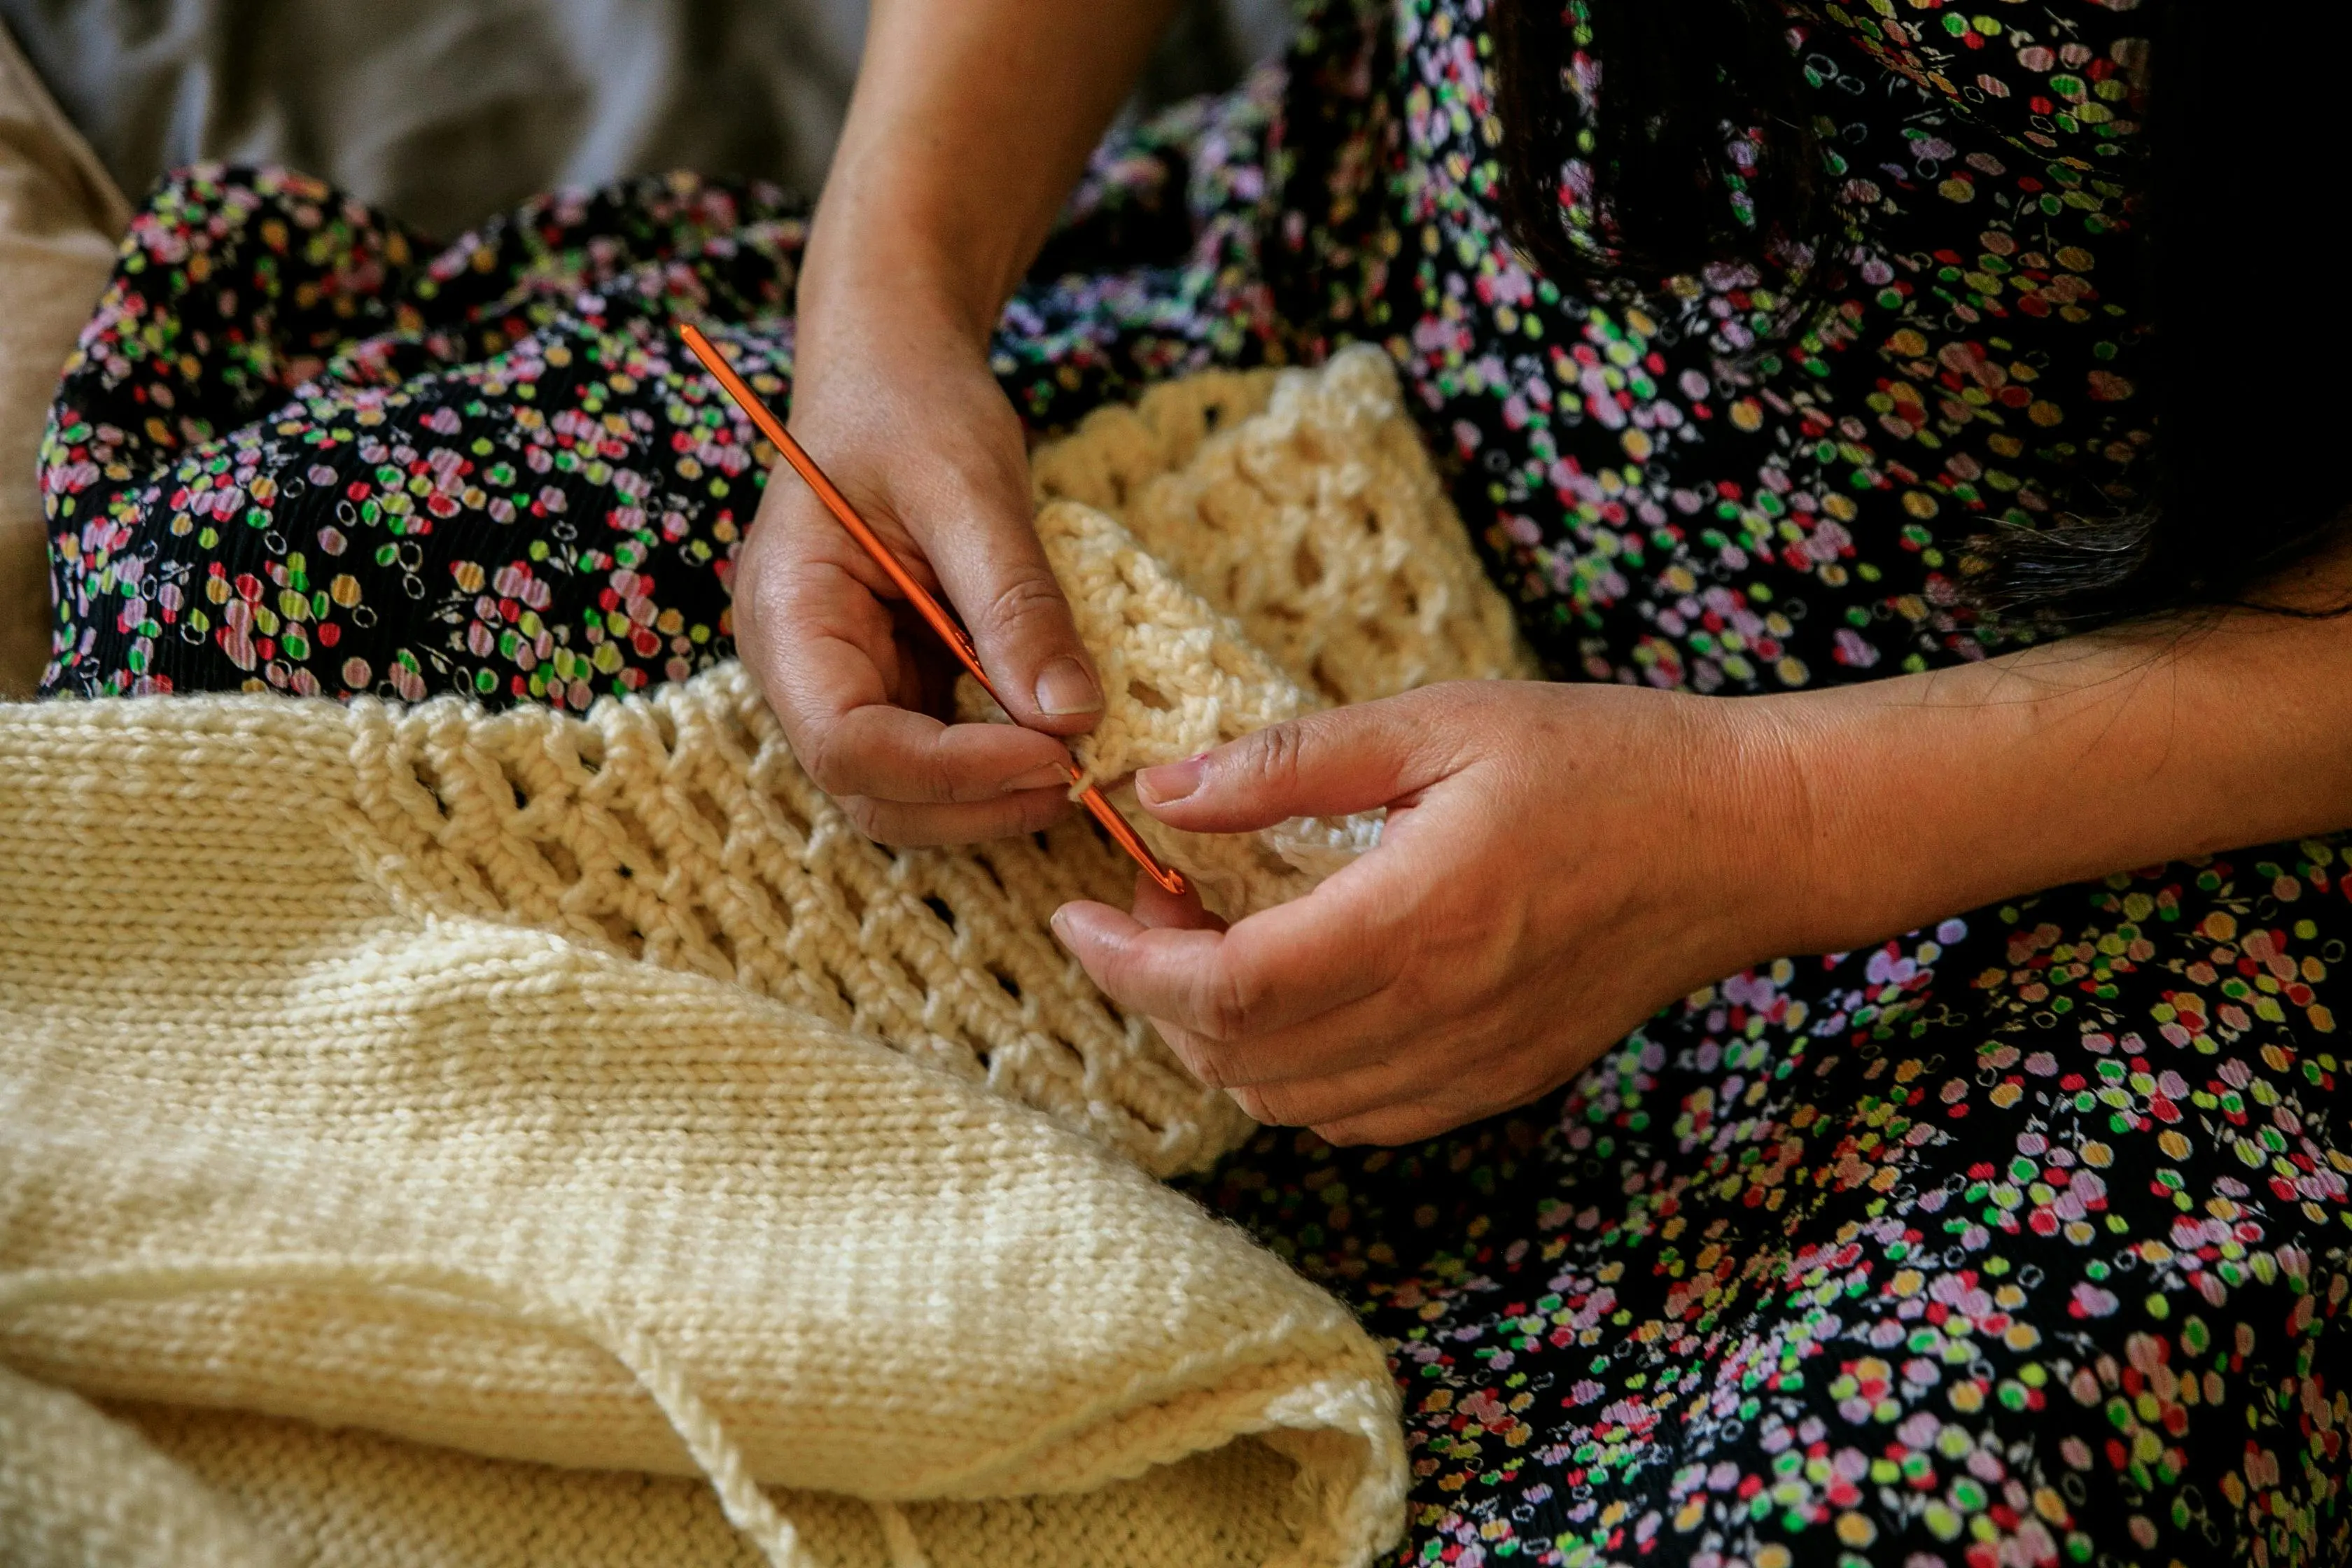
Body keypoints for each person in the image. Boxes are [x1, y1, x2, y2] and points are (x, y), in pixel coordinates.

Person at [38, 0, 2352, 1560]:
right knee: (272, 621)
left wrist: (1777, 829)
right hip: (1371, 345)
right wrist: (885, 324)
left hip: (2116, 798)